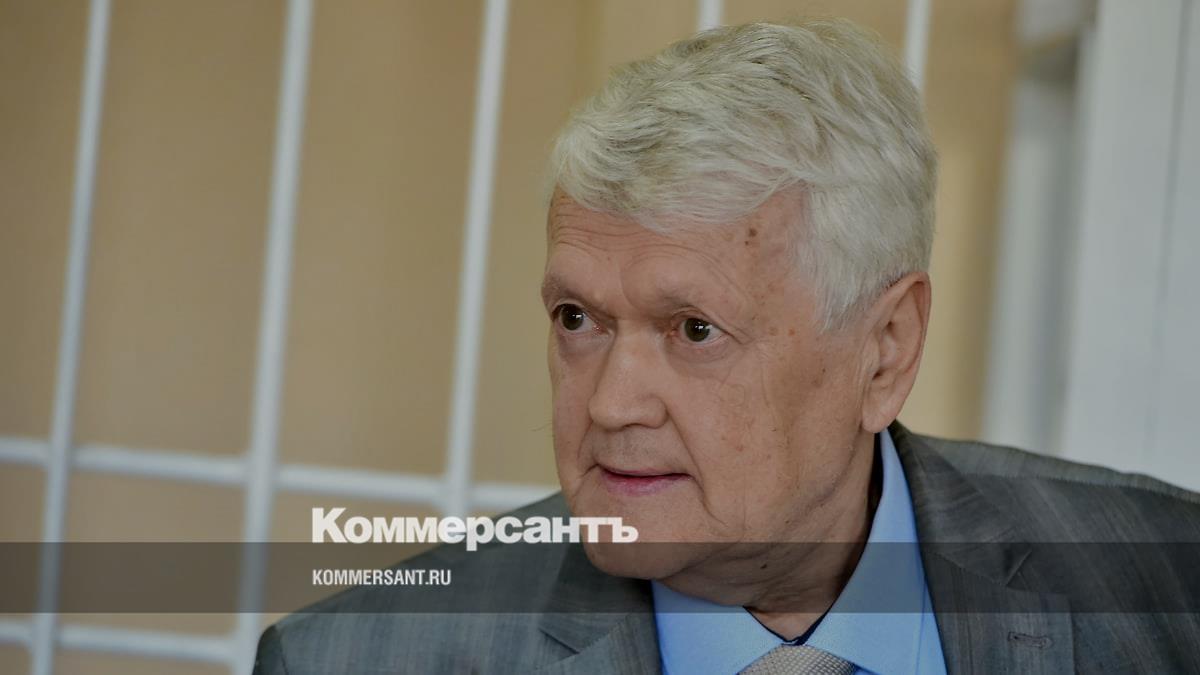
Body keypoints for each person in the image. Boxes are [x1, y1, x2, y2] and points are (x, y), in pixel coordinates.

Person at [254, 18, 1200, 674]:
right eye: (577, 318)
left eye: (694, 329)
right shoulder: (356, 658)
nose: (611, 402)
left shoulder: (1169, 580)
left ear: (885, 349)